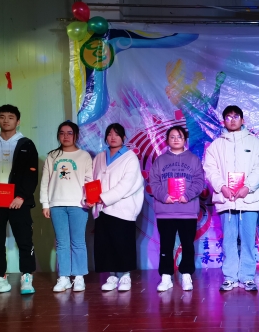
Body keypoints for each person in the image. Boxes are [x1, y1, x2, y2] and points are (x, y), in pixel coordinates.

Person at [203, 105, 259, 292]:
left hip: (249, 199)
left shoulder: (254, 143)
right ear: (223, 121)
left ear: (242, 120)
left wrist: (248, 187)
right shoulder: (216, 145)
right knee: (229, 240)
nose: (232, 120)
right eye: (228, 117)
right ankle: (230, 277)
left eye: (236, 116)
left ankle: (247, 277)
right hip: (227, 199)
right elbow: (210, 169)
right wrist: (221, 187)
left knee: (248, 240)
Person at [0, 104, 39, 296]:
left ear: (18, 122)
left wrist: (22, 196)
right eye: (2, 116)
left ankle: (26, 277)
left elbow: (32, 174)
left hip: (19, 201)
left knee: (24, 239)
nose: (6, 120)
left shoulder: (27, 144)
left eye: (11, 117)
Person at [149, 125, 204, 292]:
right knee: (166, 245)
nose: (175, 140)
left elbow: (199, 181)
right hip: (165, 211)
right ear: (167, 140)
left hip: (187, 211)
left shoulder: (194, 159)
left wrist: (187, 195)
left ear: (184, 139)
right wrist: (163, 196)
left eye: (179, 136)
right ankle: (166, 277)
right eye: (172, 137)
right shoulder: (160, 160)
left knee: (188, 245)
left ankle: (186, 274)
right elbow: (153, 182)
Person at [40, 121, 93, 293]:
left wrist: (89, 199)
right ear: (58, 136)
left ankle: (79, 277)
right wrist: (45, 204)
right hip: (56, 205)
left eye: (70, 133)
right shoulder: (52, 156)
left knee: (78, 242)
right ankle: (64, 277)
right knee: (62, 242)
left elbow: (89, 180)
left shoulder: (84, 156)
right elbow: (45, 182)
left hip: (78, 205)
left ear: (76, 136)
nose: (66, 136)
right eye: (62, 133)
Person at [92, 123, 145, 292]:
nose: (113, 137)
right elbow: (93, 180)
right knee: (106, 244)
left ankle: (125, 276)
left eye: (116, 134)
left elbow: (126, 184)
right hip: (102, 208)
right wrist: (91, 198)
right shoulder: (100, 157)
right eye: (109, 134)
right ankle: (112, 276)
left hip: (122, 208)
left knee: (123, 243)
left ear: (123, 137)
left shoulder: (130, 157)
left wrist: (103, 197)